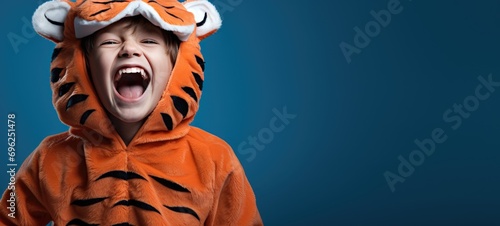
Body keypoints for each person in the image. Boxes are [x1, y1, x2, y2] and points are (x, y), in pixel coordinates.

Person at [0, 0, 262, 225]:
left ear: (176, 68)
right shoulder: (50, 159)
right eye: (110, 41)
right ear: (84, 68)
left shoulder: (214, 159)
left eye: (149, 40)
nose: (129, 49)